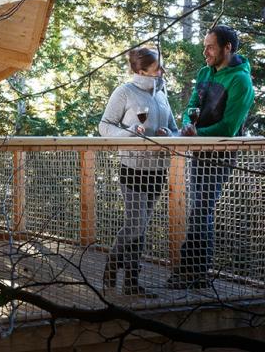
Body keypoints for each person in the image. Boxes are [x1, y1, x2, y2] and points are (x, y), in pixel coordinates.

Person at [168, 25, 255, 289]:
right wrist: (187, 126)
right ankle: (193, 273)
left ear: (227, 47)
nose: (205, 51)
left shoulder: (241, 80)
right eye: (205, 46)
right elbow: (191, 107)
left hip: (220, 154)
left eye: (210, 46)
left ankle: (193, 272)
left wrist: (198, 133)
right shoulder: (205, 72)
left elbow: (229, 128)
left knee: (201, 210)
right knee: (199, 210)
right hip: (199, 149)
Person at [99, 47, 178, 296]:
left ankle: (131, 283)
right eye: (157, 67)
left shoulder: (162, 94)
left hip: (158, 169)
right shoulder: (124, 92)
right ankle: (112, 266)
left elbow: (174, 129)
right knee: (135, 224)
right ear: (141, 70)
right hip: (132, 167)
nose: (162, 70)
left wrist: (170, 134)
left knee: (141, 227)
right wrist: (129, 132)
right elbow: (104, 126)